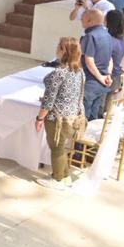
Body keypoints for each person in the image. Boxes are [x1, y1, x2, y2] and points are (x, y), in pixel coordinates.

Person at [35, 38, 86, 190]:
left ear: (64, 50)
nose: (56, 49)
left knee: (56, 148)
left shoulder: (59, 73)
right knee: (61, 147)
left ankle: (57, 179)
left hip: (56, 118)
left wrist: (39, 118)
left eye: (58, 46)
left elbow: (48, 102)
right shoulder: (79, 71)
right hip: (73, 116)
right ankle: (65, 176)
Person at [80, 9, 113, 120]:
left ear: (89, 20)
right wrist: (107, 75)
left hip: (91, 82)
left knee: (83, 117)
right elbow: (110, 59)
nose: (81, 20)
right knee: (93, 118)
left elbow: (89, 60)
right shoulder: (107, 35)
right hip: (102, 83)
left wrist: (100, 78)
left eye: (82, 18)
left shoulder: (90, 36)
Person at [106, 9, 124, 98]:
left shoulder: (109, 40)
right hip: (116, 76)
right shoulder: (122, 40)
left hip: (109, 77)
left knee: (101, 108)